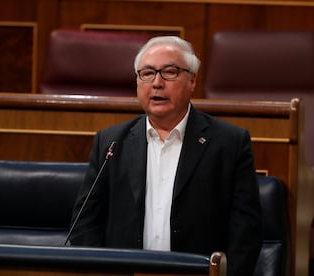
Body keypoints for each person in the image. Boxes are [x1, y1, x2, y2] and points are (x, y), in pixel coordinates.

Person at [69, 35, 262, 275]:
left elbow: (246, 232)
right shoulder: (111, 142)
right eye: (147, 73)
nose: (157, 83)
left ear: (192, 80)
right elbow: (85, 225)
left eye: (169, 72)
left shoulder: (229, 143)